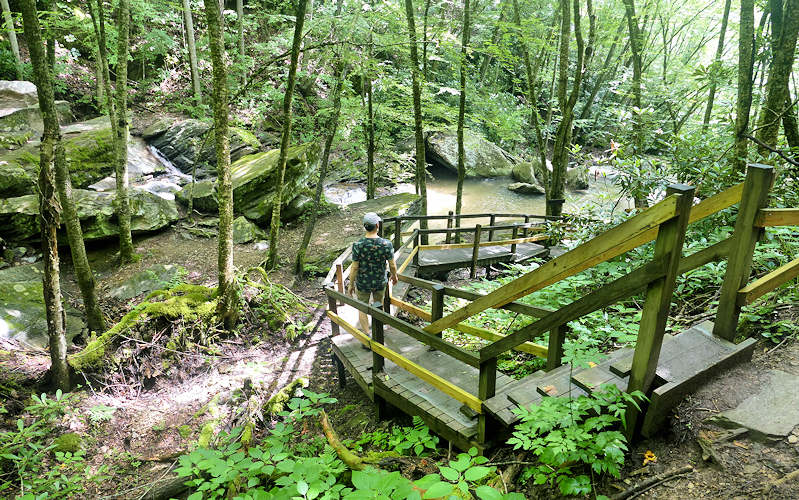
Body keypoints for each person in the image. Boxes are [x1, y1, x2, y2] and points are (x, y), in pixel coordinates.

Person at [347, 212, 398, 335]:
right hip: (380, 281)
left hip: (363, 282)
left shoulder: (358, 245)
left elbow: (354, 267)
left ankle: (367, 335)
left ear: (365, 226)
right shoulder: (386, 244)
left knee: (362, 307)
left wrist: (351, 284)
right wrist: (394, 276)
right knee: (378, 305)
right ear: (377, 225)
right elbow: (392, 264)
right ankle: (377, 333)